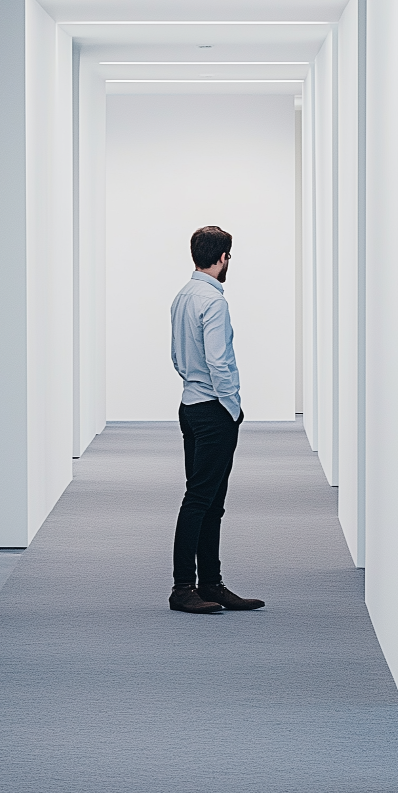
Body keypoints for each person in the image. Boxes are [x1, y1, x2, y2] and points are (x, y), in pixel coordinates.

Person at [168, 225, 265, 614]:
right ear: (223, 257)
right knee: (200, 501)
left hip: (191, 406)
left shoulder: (181, 297)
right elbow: (219, 361)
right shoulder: (214, 302)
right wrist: (232, 405)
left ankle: (210, 583)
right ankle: (183, 588)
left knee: (209, 501)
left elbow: (177, 356)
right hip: (213, 410)